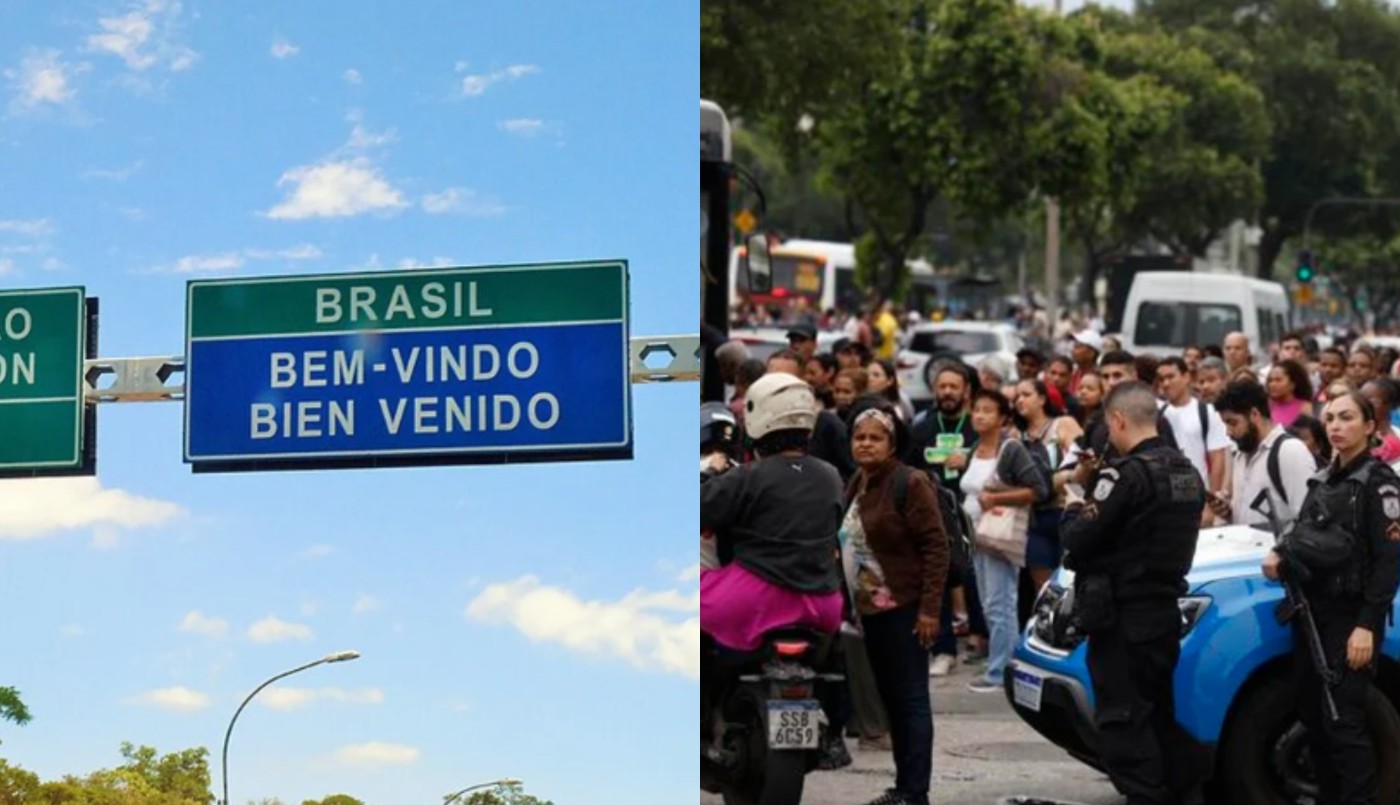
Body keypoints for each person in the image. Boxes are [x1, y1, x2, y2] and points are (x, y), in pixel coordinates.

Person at [1061, 381, 1207, 805]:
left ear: (1117, 420)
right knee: (1157, 716)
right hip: (1162, 614)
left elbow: (1078, 538)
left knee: (1122, 724)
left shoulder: (1123, 476)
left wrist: (1075, 500)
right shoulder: (1187, 471)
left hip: (1122, 619)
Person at [1261, 391, 1400, 805]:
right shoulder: (1324, 479)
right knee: (1314, 720)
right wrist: (1280, 554)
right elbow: (1302, 532)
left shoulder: (1379, 485)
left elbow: (1389, 562)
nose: (1336, 426)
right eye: (1330, 418)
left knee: (1345, 725)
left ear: (1370, 426)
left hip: (1349, 617)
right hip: (1312, 616)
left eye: (1347, 417)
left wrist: (1366, 625)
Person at [700, 374, 847, 752]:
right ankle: (834, 733)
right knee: (835, 660)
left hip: (755, 598)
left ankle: (699, 725)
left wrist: (714, 471)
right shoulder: (830, 476)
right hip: (823, 604)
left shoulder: (746, 476)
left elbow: (701, 508)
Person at [843, 402, 949, 805]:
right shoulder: (858, 480)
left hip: (904, 608)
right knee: (892, 699)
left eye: (875, 438)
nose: (866, 444)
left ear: (892, 443)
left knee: (910, 700)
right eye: (860, 437)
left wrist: (929, 610)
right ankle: (903, 786)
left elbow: (936, 547)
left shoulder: (910, 481)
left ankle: (914, 791)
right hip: (869, 612)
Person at [961, 389, 1049, 694]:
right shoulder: (974, 448)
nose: (980, 415)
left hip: (1000, 537)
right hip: (977, 537)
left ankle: (1002, 670)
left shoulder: (1010, 449)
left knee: (1001, 604)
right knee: (990, 603)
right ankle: (1001, 665)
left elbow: (1038, 489)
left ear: (1002, 418)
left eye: (988, 410)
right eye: (976, 409)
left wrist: (996, 497)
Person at [1208, 380, 1316, 528]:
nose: (1228, 432)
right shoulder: (1241, 455)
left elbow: (1308, 520)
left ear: (1254, 414)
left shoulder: (1290, 451)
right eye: (1225, 424)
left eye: (1232, 422)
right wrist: (1228, 512)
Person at [1013, 378, 1084, 593]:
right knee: (1043, 588)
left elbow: (1085, 460)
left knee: (1072, 581)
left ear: (1042, 399)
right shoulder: (1016, 436)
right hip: (1035, 517)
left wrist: (1061, 478)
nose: (1019, 400)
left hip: (1067, 510)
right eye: (1016, 396)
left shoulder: (1063, 424)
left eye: (1026, 395)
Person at [768, 351, 856, 479]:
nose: (775, 386)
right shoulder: (756, 422)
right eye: (770, 379)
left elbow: (849, 474)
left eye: (784, 379)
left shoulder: (826, 425)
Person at [1362, 378, 1400, 469]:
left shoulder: (1391, 443)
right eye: (1361, 400)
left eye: (1373, 402)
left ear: (1391, 405)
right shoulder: (1357, 432)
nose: (1364, 405)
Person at [1266, 359, 1314, 429]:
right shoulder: (1267, 407)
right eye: (1270, 380)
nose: (1272, 384)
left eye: (1278, 380)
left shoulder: (1305, 408)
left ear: (1293, 384)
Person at [868, 358, 915, 423]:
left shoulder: (897, 407)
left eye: (876, 375)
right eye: (867, 375)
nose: (870, 379)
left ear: (890, 380)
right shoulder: (860, 401)